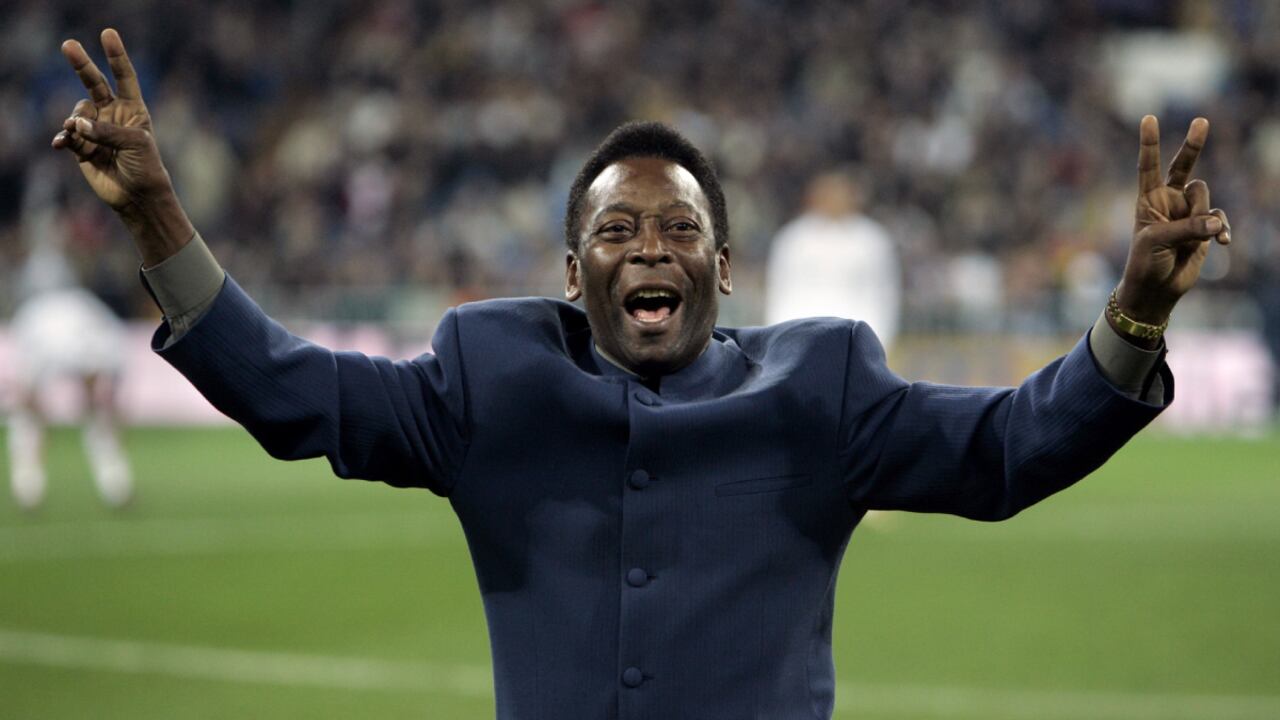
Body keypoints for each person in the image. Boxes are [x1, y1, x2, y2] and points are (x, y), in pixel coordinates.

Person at [51, 29, 1232, 719]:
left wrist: (1131, 310)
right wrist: (157, 214)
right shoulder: (485, 378)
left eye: (678, 231)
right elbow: (292, 389)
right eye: (618, 232)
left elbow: (1006, 449)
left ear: (726, 265)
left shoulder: (821, 388)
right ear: (574, 271)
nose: (649, 249)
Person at [6, 200, 133, 511]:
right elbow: (110, 367)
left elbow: (26, 392)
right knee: (97, 415)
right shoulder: (85, 305)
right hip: (84, 343)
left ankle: (27, 488)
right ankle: (116, 484)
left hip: (46, 342)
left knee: (26, 417)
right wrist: (107, 402)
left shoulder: (31, 313)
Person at [765, 171, 901, 350]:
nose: (834, 200)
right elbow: (780, 289)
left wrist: (880, 339)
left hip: (856, 338)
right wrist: (778, 337)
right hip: (800, 335)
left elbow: (883, 293)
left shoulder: (872, 241)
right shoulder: (793, 239)